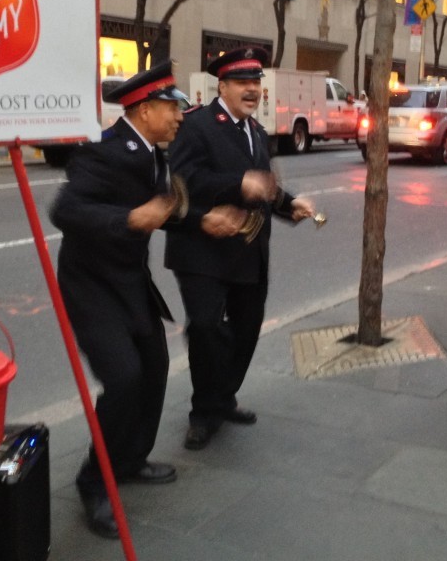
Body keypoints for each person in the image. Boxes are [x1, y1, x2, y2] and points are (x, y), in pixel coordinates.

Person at [49, 60, 189, 540]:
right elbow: (65, 210)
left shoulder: (154, 151)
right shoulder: (104, 152)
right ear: (146, 109)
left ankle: (129, 460)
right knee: (124, 378)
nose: (179, 117)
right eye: (173, 109)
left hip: (129, 280)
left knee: (153, 367)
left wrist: (191, 217)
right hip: (90, 285)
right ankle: (94, 481)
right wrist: (131, 219)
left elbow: (159, 209)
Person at [164, 46, 316, 450]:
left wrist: (288, 203)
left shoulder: (257, 132)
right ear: (223, 86)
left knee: (246, 329)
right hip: (202, 251)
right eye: (243, 83)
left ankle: (224, 396)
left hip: (249, 250)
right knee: (207, 328)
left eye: (256, 83)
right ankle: (203, 412)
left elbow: (263, 185)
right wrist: (237, 185)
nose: (252, 90)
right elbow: (180, 182)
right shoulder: (195, 126)